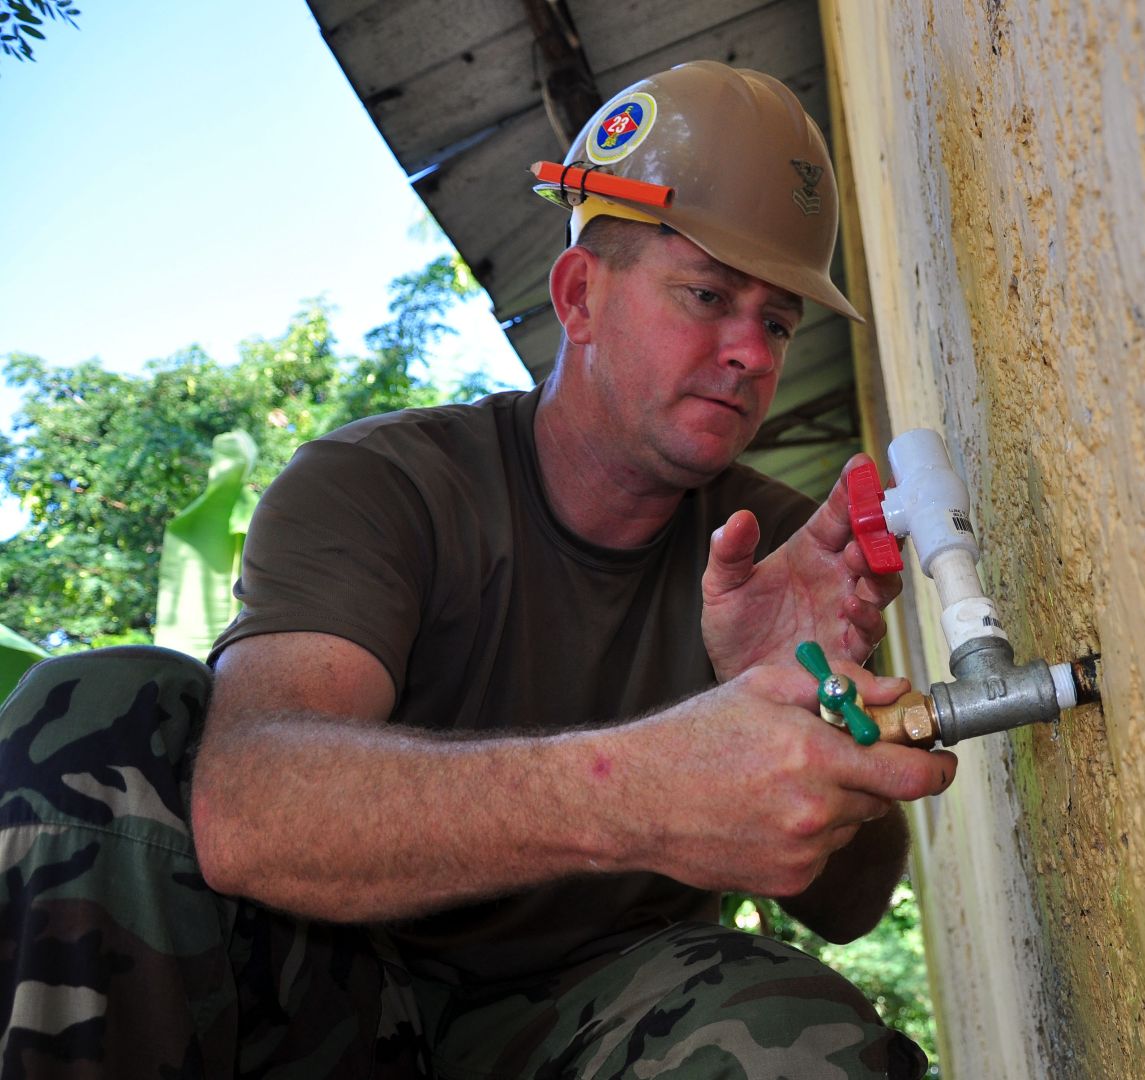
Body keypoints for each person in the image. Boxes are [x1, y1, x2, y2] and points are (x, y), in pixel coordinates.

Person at [0, 61, 954, 1078]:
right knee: (102, 707)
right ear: (581, 298)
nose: (751, 355)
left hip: (597, 1026)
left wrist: (813, 707)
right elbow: (253, 813)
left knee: (796, 1034)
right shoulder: (382, 486)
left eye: (775, 321)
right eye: (708, 294)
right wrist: (637, 788)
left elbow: (851, 909)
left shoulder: (774, 547)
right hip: (323, 1000)